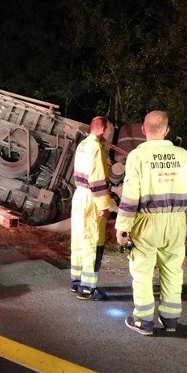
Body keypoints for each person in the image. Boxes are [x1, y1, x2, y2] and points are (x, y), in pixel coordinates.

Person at [115, 111, 187, 335]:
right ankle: (171, 320)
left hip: (147, 223)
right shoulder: (183, 156)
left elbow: (130, 195)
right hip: (176, 221)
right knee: (172, 270)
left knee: (142, 272)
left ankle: (143, 321)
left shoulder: (137, 156)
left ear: (143, 129)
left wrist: (122, 227)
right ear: (167, 130)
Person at [70, 115, 113, 300]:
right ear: (103, 129)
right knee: (92, 242)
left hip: (79, 194)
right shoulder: (96, 147)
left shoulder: (83, 144)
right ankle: (87, 289)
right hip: (92, 197)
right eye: (110, 129)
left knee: (79, 240)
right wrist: (104, 205)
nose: (110, 133)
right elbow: (97, 179)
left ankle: (76, 282)